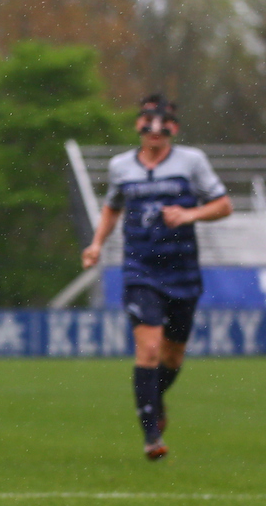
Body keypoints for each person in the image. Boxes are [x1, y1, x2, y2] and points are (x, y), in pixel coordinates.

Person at [82, 94, 232, 460]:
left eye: (161, 122)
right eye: (147, 121)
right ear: (138, 126)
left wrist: (189, 215)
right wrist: (96, 243)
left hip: (181, 270)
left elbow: (223, 205)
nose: (154, 129)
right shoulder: (121, 167)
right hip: (140, 268)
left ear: (173, 128)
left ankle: (155, 399)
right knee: (148, 349)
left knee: (173, 355)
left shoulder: (191, 162)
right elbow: (113, 206)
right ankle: (152, 437)